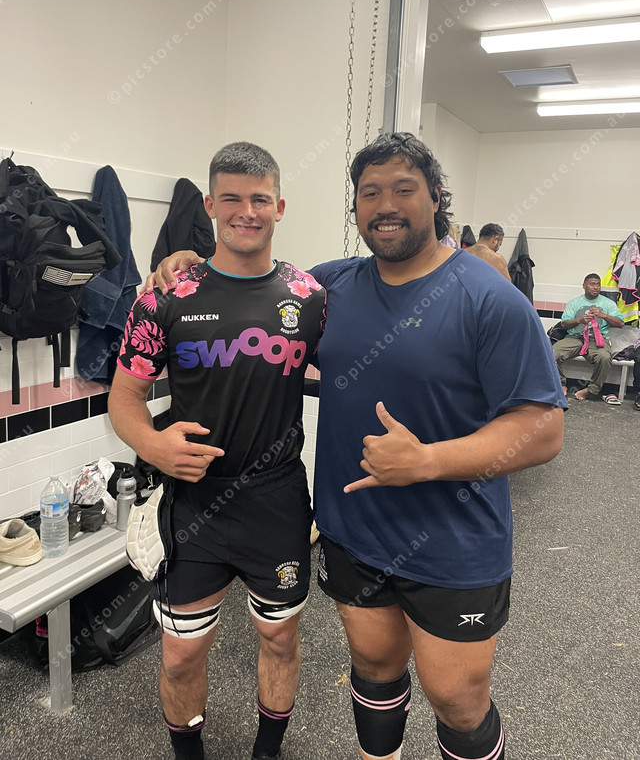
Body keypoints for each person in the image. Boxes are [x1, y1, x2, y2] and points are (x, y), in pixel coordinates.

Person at [150, 132, 565, 760]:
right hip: (354, 532)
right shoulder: (329, 288)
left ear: (436, 197)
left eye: (403, 189)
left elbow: (543, 426)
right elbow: (251, 289)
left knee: (456, 698)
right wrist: (192, 264)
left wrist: (429, 460)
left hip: (454, 542)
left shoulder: (488, 297)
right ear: (356, 207)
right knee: (373, 669)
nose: (385, 205)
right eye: (370, 193)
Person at [108, 141, 326, 760]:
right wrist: (153, 445)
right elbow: (125, 397)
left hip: (276, 502)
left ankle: (267, 753)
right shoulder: (165, 296)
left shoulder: (311, 296)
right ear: (209, 205)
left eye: (260, 199)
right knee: (180, 654)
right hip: (195, 505)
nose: (246, 211)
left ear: (279, 206)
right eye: (231, 198)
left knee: (279, 640)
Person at [552, 273, 624, 401]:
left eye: (598, 284)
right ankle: (560, 384)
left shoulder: (608, 303)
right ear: (584, 286)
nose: (596, 287)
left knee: (604, 357)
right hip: (575, 338)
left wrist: (603, 315)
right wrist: (579, 320)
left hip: (597, 340)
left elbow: (620, 323)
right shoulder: (574, 303)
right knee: (551, 352)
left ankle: (591, 390)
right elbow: (564, 324)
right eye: (592, 284)